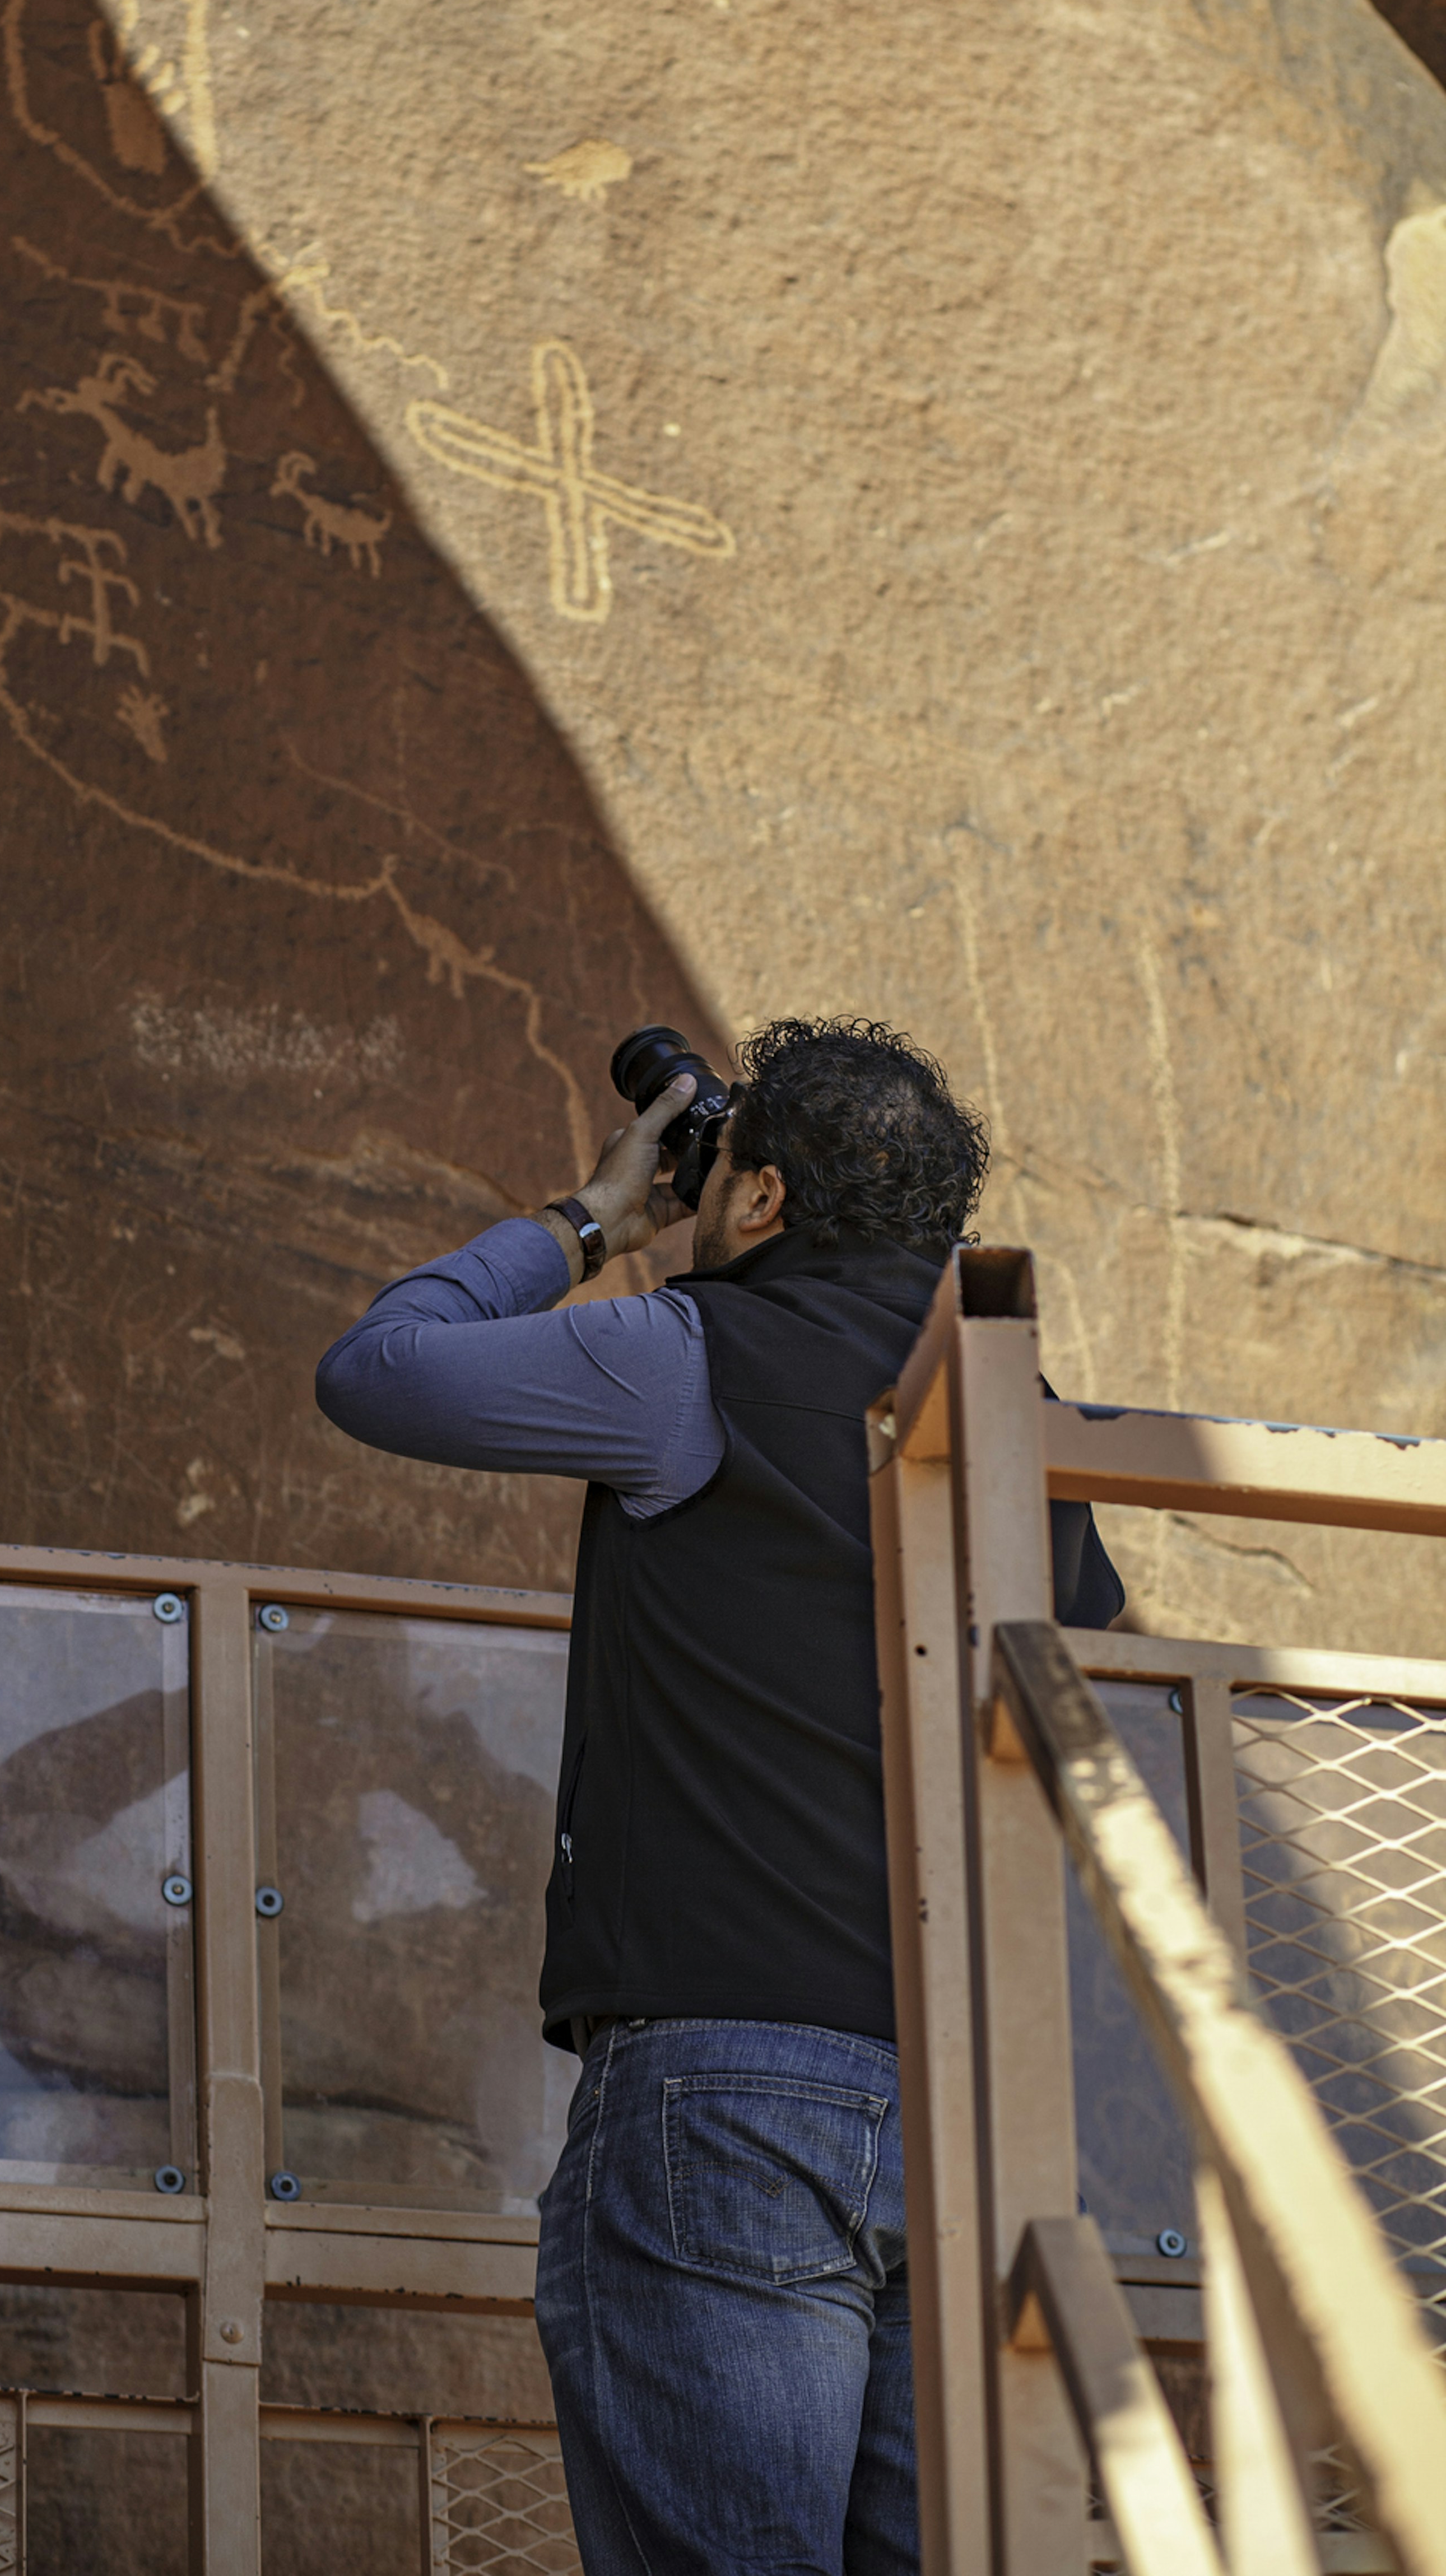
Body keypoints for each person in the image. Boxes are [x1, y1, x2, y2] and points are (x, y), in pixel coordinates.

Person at [315, 1016, 1123, 2576]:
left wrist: (594, 1221)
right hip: (983, 2117)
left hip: (730, 2095)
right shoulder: (1037, 1445)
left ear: (756, 1204)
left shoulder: (689, 1357)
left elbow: (377, 1373)